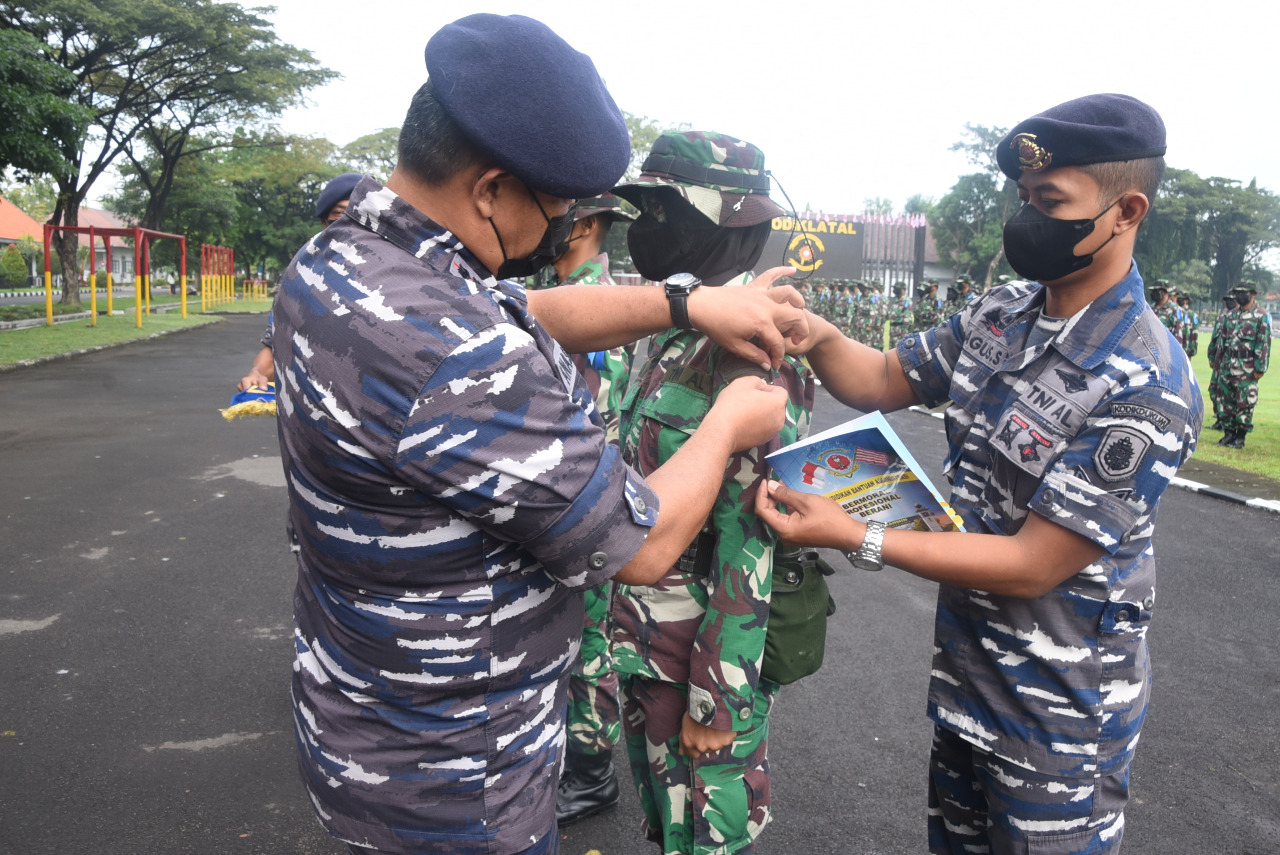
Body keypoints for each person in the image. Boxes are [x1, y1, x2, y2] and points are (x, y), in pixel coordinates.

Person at [270, 15, 806, 855]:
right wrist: (730, 420)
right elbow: (640, 543)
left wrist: (684, 302)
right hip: (459, 780)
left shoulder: (339, 262)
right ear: (491, 190)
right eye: (553, 208)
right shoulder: (462, 358)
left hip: (364, 721)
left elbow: (526, 310)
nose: (558, 231)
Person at [755, 94, 1202, 855]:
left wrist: (856, 535)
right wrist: (817, 334)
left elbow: (1033, 563)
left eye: (1050, 202)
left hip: (1057, 719)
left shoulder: (1145, 379)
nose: (1027, 219)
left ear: (1127, 211)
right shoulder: (1004, 312)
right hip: (969, 681)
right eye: (1023, 198)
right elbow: (883, 377)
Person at [608, 130, 815, 855]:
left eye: (669, 211)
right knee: (666, 830)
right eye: (645, 211)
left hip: (697, 656)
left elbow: (752, 539)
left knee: (702, 838)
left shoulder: (754, 351)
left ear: (733, 223)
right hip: (640, 643)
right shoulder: (670, 330)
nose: (649, 227)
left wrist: (716, 699)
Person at [537, 193, 638, 825]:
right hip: (563, 494)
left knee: (590, 637)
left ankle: (592, 771)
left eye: (563, 215)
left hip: (584, 498)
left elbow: (592, 414)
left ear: (589, 225)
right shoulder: (563, 295)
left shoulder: (595, 303)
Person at [236, 171, 362, 391]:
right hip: (316, 403)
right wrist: (257, 374)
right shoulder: (301, 278)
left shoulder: (400, 276)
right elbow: (276, 344)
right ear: (324, 222)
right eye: (339, 214)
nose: (349, 224)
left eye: (358, 214)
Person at [1211, 283, 1270, 448]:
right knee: (1225, 400)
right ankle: (1228, 434)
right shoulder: (1231, 315)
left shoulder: (1260, 315)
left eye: (1244, 293)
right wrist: (1218, 362)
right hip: (1227, 365)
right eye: (1237, 293)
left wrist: (1260, 368)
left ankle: (1240, 437)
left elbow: (1263, 343)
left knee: (1244, 402)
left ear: (1253, 294)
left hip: (1247, 367)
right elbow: (1222, 340)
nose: (1240, 296)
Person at [1206, 292, 1239, 429]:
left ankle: (1229, 422)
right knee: (1214, 390)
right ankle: (1219, 418)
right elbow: (1215, 338)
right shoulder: (1222, 317)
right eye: (1227, 300)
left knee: (1228, 393)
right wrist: (1211, 356)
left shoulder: (1239, 318)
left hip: (1231, 362)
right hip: (1219, 360)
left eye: (1232, 300)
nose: (1229, 302)